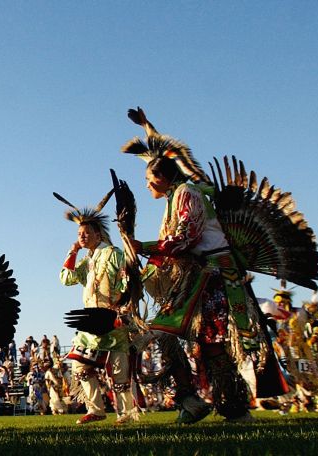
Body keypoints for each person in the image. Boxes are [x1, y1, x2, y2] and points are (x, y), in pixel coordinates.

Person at [124, 108, 260, 423]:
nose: (146, 186)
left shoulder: (188, 194)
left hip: (214, 275)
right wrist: (147, 127)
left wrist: (143, 247)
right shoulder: (176, 196)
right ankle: (190, 401)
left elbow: (186, 237)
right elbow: (161, 154)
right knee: (169, 335)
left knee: (209, 346)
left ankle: (234, 409)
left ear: (162, 178)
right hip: (198, 275)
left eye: (149, 179)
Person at [59, 196, 138, 425]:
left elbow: (126, 283)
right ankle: (96, 409)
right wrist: (72, 253)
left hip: (113, 319)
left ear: (98, 235)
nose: (81, 237)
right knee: (80, 365)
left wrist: (123, 311)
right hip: (91, 322)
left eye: (85, 234)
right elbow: (66, 278)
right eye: (78, 234)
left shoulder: (113, 253)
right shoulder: (87, 260)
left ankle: (126, 414)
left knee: (119, 370)